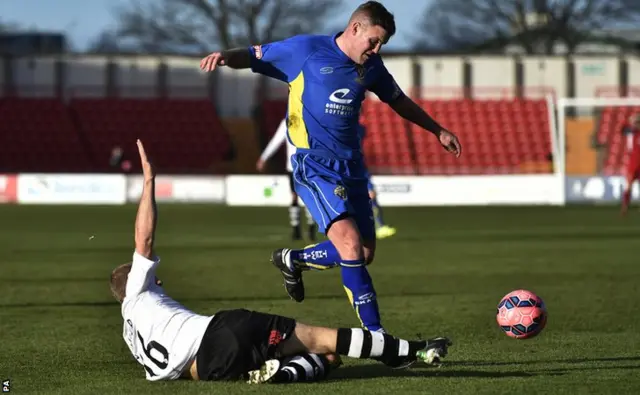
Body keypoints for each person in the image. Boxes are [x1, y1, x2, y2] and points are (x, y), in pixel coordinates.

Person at [200, 1, 461, 333]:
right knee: (349, 245)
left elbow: (399, 101)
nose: (377, 49)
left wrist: (437, 130)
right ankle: (377, 336)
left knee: (363, 252)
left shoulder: (372, 67)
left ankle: (292, 260)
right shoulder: (304, 50)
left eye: (382, 44)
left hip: (352, 166)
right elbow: (252, 55)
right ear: (355, 29)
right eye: (374, 41)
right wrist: (225, 55)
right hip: (314, 165)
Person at [110, 139, 453, 384]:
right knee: (327, 338)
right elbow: (144, 240)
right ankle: (414, 351)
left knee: (327, 360)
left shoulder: (132, 335)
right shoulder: (137, 291)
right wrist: (150, 181)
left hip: (209, 368)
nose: (159, 280)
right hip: (224, 331)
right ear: (134, 283)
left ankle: (284, 373)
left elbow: (178, 369)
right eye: (155, 278)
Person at [257, 117, 317, 241]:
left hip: (307, 164)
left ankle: (310, 228)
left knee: (308, 196)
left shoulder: (310, 118)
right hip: (295, 166)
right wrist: (264, 157)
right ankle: (297, 229)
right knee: (297, 196)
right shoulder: (288, 121)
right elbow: (276, 141)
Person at [357, 123, 397, 239]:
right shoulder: (355, 128)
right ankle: (374, 227)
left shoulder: (360, 128)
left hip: (359, 166)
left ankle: (379, 226)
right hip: (351, 165)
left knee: (371, 195)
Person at [621, 114, 640, 216]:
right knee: (628, 185)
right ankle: (625, 207)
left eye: (638, 122)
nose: (637, 124)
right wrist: (629, 120)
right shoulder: (630, 133)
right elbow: (622, 129)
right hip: (632, 165)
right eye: (636, 123)